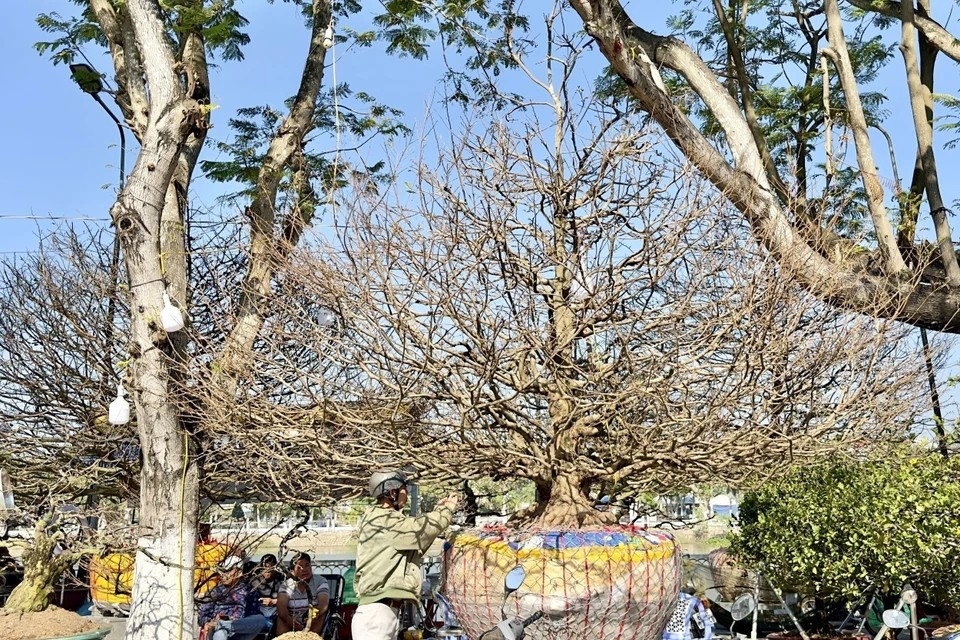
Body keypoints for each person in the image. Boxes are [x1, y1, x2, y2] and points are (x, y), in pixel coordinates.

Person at [351, 469, 459, 640]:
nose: (406, 494)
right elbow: (419, 530)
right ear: (391, 492)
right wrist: (446, 511)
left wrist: (437, 512)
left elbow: (417, 541)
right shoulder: (385, 521)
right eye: (403, 489)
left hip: (382, 613)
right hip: (376, 615)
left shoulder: (382, 519)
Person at [197, 556, 266, 640]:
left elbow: (253, 615)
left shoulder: (249, 591)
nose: (224, 575)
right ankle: (221, 625)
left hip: (240, 631)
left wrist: (232, 621)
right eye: (222, 571)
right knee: (220, 634)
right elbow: (201, 617)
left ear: (239, 573)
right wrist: (213, 620)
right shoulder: (214, 591)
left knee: (260, 619)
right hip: (218, 631)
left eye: (228, 571)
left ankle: (222, 625)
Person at [276, 552, 330, 635]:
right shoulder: (286, 585)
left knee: (320, 615)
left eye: (307, 565)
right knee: (282, 617)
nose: (304, 569)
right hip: (291, 619)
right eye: (300, 567)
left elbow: (323, 604)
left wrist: (311, 617)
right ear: (292, 571)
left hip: (312, 618)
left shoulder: (320, 581)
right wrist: (292, 622)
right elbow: (281, 606)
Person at [248, 553, 283, 635]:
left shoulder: (281, 580)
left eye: (270, 569)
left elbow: (290, 598)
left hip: (276, 612)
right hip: (258, 612)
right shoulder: (254, 581)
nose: (267, 572)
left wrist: (274, 601)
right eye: (264, 569)